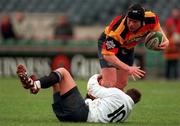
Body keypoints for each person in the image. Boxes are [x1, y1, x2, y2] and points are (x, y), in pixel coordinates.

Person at [17, 64, 141, 123]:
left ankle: (35, 85)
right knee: (56, 82)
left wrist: (99, 75)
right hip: (65, 116)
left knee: (63, 72)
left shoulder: (118, 94)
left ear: (125, 91)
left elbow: (92, 87)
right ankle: (34, 84)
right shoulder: (127, 113)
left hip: (81, 113)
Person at [98, 4, 169, 90]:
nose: (131, 24)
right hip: (108, 44)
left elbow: (157, 29)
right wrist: (128, 68)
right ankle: (92, 91)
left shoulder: (151, 18)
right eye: (129, 20)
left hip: (127, 47)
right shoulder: (118, 31)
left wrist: (166, 40)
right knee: (109, 83)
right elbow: (108, 55)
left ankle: (112, 102)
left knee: (121, 84)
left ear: (142, 21)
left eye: (135, 22)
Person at [163, 7, 180, 80]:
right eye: (174, 12)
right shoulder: (169, 21)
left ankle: (176, 78)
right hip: (169, 46)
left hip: (176, 47)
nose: (175, 14)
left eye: (176, 12)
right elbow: (166, 31)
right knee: (168, 64)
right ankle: (167, 78)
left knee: (175, 64)